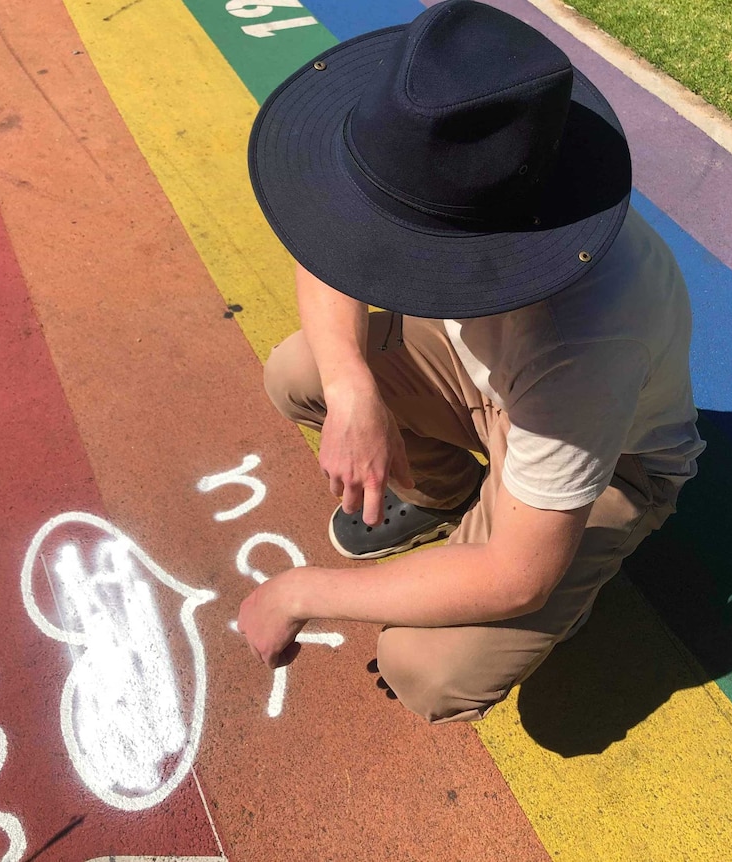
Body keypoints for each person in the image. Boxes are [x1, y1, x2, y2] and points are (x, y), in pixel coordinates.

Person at [239, 0, 705, 723]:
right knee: (303, 373)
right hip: (494, 375)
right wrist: (353, 388)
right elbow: (333, 235)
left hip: (611, 454)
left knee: (429, 667)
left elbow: (516, 577)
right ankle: (441, 492)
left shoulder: (586, 336)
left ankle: (572, 580)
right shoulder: (483, 181)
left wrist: (302, 590)